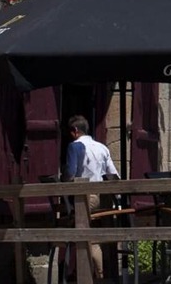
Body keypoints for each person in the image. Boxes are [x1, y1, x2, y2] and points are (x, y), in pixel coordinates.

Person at [64, 115, 118, 281]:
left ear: (75, 131)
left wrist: (62, 181)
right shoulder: (102, 147)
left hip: (86, 196)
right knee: (97, 235)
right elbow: (113, 175)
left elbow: (71, 173)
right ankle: (96, 274)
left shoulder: (75, 146)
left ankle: (96, 276)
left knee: (89, 237)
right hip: (104, 197)